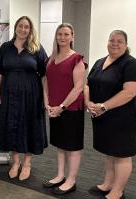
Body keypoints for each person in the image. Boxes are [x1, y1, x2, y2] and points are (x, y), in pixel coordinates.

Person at [84, 30, 136, 199]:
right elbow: (88, 84)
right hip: (103, 116)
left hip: (124, 117)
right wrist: (88, 102)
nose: (114, 43)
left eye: (119, 41)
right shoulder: (100, 61)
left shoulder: (132, 64)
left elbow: (129, 92)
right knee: (110, 152)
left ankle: (117, 191)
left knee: (122, 155)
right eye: (112, 40)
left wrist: (103, 106)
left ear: (126, 44)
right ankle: (108, 184)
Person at [0, 16, 48, 181]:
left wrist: (45, 97)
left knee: (30, 125)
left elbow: (45, 74)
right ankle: (16, 162)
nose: (23, 29)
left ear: (30, 30)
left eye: (27, 27)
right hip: (9, 93)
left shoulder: (36, 48)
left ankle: (27, 163)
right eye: (21, 26)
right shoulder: (5, 47)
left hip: (31, 94)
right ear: (16, 27)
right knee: (11, 125)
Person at [42, 23, 86, 195]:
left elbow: (78, 88)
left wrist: (61, 107)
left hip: (71, 109)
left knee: (72, 147)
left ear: (72, 36)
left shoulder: (77, 59)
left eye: (66, 34)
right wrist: (46, 103)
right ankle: (60, 175)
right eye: (59, 34)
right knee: (60, 145)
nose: (62, 37)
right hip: (53, 108)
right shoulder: (51, 58)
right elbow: (46, 82)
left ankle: (71, 180)